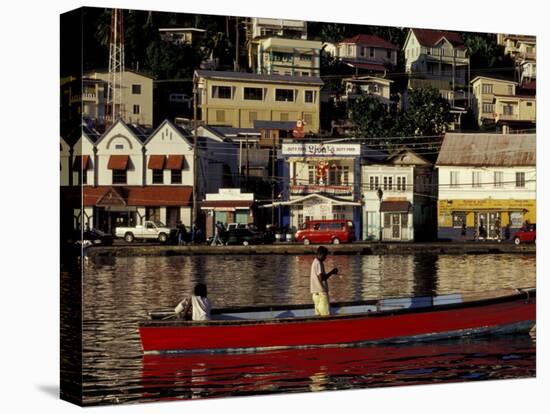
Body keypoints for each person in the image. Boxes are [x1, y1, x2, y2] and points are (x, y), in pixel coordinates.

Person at [310, 246, 338, 316]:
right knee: (326, 316)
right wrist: (332, 272)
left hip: (315, 294)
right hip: (321, 294)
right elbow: (322, 278)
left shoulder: (314, 262)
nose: (325, 258)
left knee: (318, 316)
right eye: (325, 256)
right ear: (321, 254)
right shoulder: (319, 263)